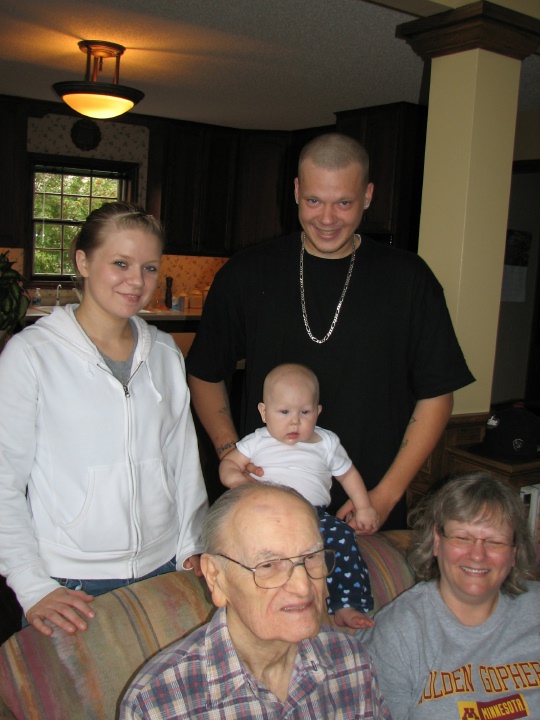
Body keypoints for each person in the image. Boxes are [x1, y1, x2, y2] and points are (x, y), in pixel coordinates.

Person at [186, 132, 474, 529]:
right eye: (314, 201)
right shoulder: (247, 273)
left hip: (368, 507)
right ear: (296, 190)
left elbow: (437, 395)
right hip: (262, 507)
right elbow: (204, 372)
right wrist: (230, 452)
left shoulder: (409, 279)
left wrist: (384, 496)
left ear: (368, 196)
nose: (326, 219)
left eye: (344, 203)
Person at [0, 202, 208, 637]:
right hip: (72, 584)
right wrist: (32, 585)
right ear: (83, 261)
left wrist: (193, 546)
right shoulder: (32, 355)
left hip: (164, 566)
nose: (137, 281)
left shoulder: (166, 353)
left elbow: (183, 462)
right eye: (120, 263)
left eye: (149, 267)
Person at [120, 482, 391, 719]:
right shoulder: (159, 703)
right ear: (216, 578)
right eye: (269, 565)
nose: (302, 586)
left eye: (311, 557)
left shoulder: (350, 661)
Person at [358, 472, 540, 720]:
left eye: (495, 542)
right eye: (462, 538)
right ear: (436, 541)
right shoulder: (397, 635)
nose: (477, 555)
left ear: (514, 552)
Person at [220, 363, 378, 629]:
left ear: (318, 412)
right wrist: (237, 481)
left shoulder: (326, 443)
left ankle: (346, 603)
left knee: (341, 536)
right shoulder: (257, 441)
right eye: (284, 412)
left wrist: (363, 508)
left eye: (304, 412)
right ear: (264, 412)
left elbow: (348, 474)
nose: (295, 421)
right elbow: (228, 464)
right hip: (264, 514)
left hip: (311, 515)